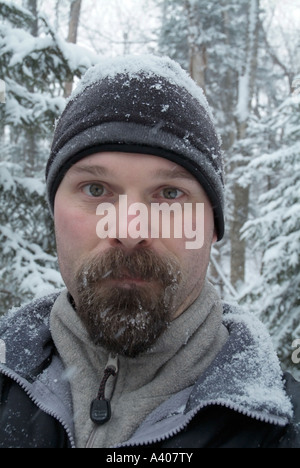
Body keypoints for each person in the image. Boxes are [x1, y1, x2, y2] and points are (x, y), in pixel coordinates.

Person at [0, 54, 299, 449]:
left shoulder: (279, 428)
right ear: (54, 213)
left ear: (212, 228)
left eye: (169, 194)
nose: (128, 229)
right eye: (96, 190)